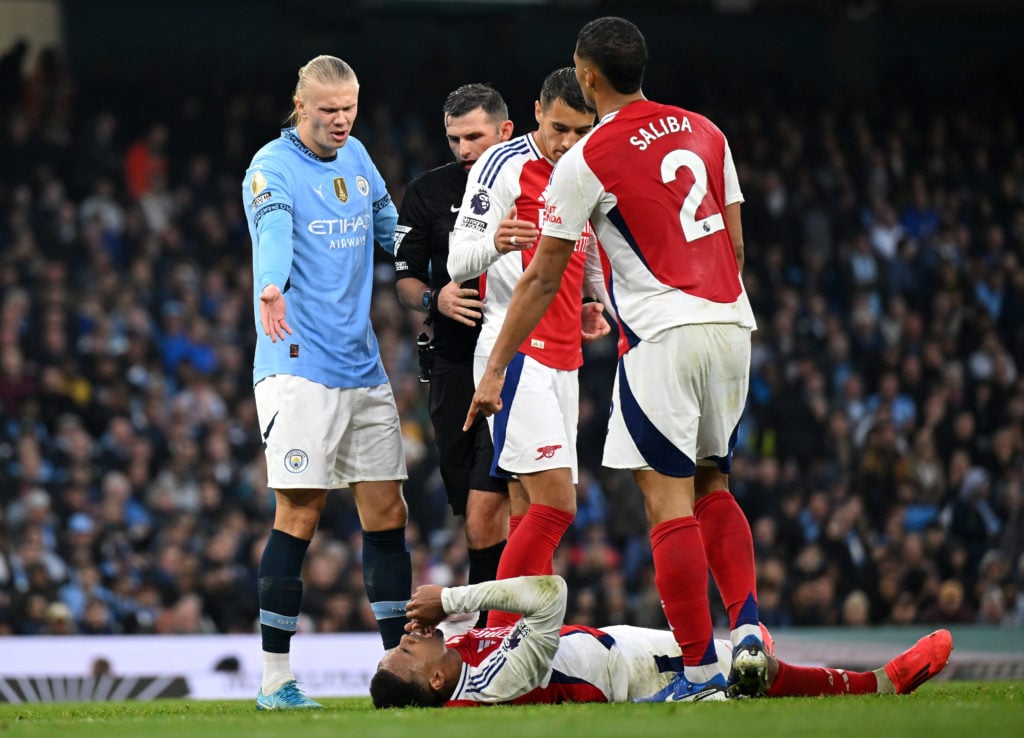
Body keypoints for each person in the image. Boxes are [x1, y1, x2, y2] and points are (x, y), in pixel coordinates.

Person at [466, 17, 765, 700]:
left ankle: (699, 675)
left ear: (588, 75)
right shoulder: (706, 131)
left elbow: (543, 278)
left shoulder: (586, 160)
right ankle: (748, 625)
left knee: (666, 503)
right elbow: (737, 246)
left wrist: (492, 370)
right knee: (714, 481)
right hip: (730, 324)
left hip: (662, 336)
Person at [243, 54, 411, 710]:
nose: (340, 121)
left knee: (387, 512)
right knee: (301, 511)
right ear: (300, 105)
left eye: (349, 109)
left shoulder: (358, 156)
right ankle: (275, 680)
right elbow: (274, 231)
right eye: (328, 110)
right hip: (297, 364)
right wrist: (270, 287)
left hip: (361, 367)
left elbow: (387, 231)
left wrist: (445, 258)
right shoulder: (271, 167)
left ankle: (397, 668)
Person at [447, 68, 610, 616]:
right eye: (559, 127)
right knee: (556, 506)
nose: (567, 143)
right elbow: (457, 260)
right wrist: (493, 242)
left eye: (580, 131)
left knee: (526, 509)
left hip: (565, 358)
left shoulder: (586, 164)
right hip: (513, 354)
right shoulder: (502, 165)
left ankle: (515, 643)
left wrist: (591, 298)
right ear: (537, 110)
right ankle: (495, 630)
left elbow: (580, 239)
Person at [369, 575, 954, 707]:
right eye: (405, 651)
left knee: (748, 663)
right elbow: (550, 593)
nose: (406, 638)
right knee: (759, 674)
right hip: (638, 672)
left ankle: (743, 659)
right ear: (436, 680)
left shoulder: (459, 660)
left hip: (620, 645)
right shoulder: (495, 682)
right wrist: (451, 599)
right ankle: (881, 683)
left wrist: (440, 622)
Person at [394, 85, 514, 614]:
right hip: (452, 361)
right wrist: (432, 296)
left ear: (504, 131)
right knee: (471, 505)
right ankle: (498, 621)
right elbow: (402, 278)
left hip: (518, 359)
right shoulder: (426, 192)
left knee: (504, 501)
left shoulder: (533, 181)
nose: (464, 148)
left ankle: (499, 626)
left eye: (475, 136)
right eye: (455, 138)